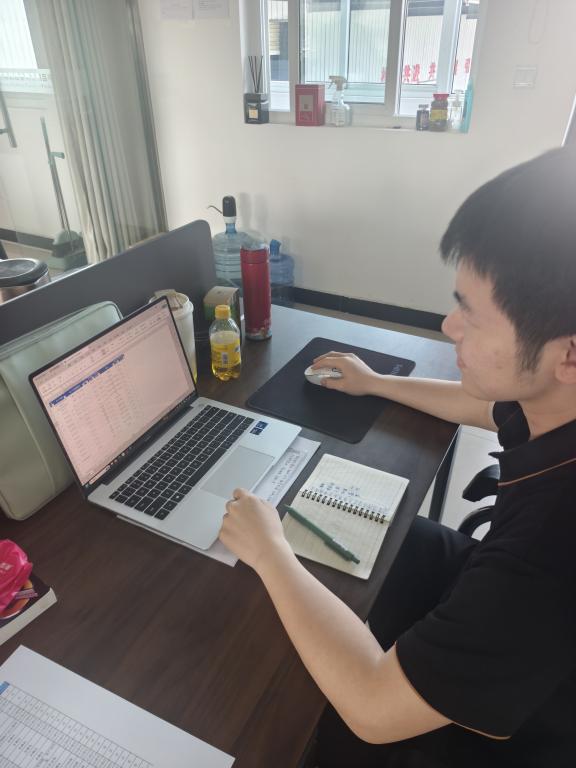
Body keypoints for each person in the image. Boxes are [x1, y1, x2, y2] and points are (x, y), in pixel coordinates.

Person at [219, 147, 576, 767]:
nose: (449, 326)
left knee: (283, 714)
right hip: (493, 593)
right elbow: (484, 407)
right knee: (385, 537)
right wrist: (376, 383)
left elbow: (373, 710)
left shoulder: (551, 549)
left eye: (472, 316)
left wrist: (269, 552)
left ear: (568, 355)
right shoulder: (553, 402)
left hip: (517, 732)